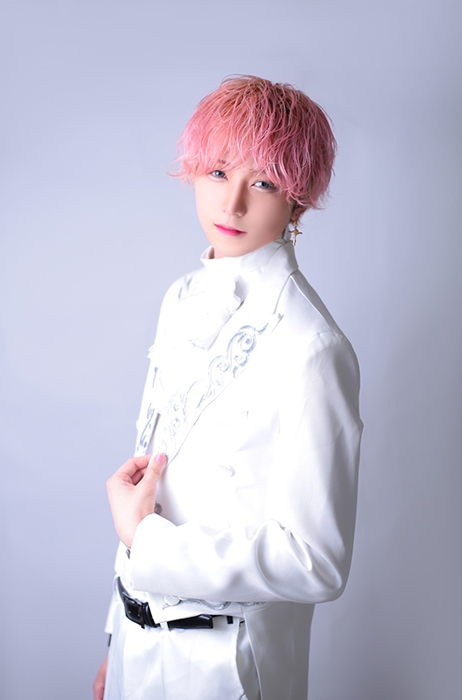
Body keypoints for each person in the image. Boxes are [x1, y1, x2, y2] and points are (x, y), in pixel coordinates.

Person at [93, 75, 363, 700]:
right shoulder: (180, 298)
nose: (232, 203)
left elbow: (316, 561)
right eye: (218, 172)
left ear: (299, 202)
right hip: (137, 642)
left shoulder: (312, 346)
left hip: (226, 668)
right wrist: (115, 639)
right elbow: (149, 483)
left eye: (263, 183)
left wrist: (148, 543)